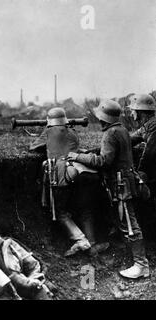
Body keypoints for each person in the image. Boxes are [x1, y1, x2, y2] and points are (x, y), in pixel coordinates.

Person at [67, 100, 150, 279]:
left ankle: (141, 265)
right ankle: (130, 256)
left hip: (121, 185)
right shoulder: (121, 130)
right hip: (127, 181)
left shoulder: (110, 134)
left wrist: (78, 156)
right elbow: (110, 153)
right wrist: (90, 152)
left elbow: (104, 161)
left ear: (103, 118)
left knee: (129, 223)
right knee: (124, 220)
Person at [30, 107, 108, 257]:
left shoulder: (48, 131)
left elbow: (33, 146)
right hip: (82, 170)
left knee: (60, 212)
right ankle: (91, 243)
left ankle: (80, 240)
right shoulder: (72, 131)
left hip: (62, 173)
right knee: (85, 210)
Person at [129, 94, 156, 207]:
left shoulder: (153, 127)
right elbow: (127, 142)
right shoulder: (147, 126)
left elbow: (149, 155)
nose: (131, 113)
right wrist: (92, 151)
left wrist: (139, 175)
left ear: (140, 111)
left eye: (133, 110)